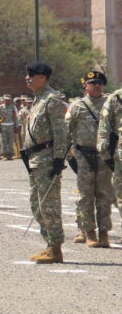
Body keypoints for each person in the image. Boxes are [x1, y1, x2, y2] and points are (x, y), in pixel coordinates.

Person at [23, 62, 67, 264]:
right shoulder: (37, 99)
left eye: (32, 74)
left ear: (43, 77)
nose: (27, 78)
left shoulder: (52, 100)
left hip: (48, 159)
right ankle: (49, 244)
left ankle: (55, 248)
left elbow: (60, 132)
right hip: (35, 159)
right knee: (36, 204)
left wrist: (59, 159)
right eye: (27, 74)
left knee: (49, 204)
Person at [66, 70, 112, 247]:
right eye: (92, 83)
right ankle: (88, 231)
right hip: (83, 155)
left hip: (104, 155)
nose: (97, 86)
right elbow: (66, 129)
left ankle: (104, 233)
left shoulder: (110, 104)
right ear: (85, 86)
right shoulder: (77, 106)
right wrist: (62, 154)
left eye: (100, 83)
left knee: (104, 195)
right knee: (85, 195)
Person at [0, 94, 18, 160]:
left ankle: (10, 155)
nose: (7, 101)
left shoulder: (13, 107)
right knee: (4, 141)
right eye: (6, 99)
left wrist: (16, 126)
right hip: (3, 126)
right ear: (3, 100)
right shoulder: (0, 107)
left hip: (11, 126)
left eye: (8, 100)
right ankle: (5, 155)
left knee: (11, 141)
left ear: (10, 100)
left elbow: (15, 117)